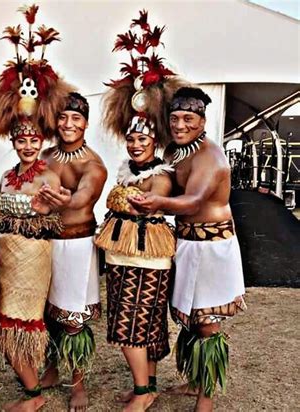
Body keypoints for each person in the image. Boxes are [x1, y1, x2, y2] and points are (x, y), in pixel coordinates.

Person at [128, 86, 246, 412]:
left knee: (207, 323)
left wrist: (158, 203)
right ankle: (196, 378)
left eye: (188, 119)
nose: (180, 125)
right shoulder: (174, 152)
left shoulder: (211, 157)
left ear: (203, 121)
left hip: (212, 248)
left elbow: (193, 201)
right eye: (175, 118)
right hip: (185, 243)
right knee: (190, 318)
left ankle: (205, 399)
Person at [0, 6, 70, 410]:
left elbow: (56, 218)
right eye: (22, 141)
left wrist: (45, 211)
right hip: (4, 255)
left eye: (34, 140)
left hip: (33, 259)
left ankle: (33, 395)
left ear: (41, 141)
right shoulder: (4, 176)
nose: (28, 145)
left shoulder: (51, 176)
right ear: (14, 143)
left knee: (21, 322)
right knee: (5, 318)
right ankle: (31, 386)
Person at [95, 11, 181, 410]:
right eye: (131, 139)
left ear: (154, 142)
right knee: (134, 322)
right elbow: (126, 197)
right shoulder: (126, 169)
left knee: (135, 325)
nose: (135, 145)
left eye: (142, 141)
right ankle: (149, 384)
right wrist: (124, 193)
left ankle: (144, 394)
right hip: (120, 253)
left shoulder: (162, 173)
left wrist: (124, 196)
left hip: (147, 259)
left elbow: (146, 200)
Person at [38, 92, 107, 412]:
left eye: (75, 118)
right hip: (46, 242)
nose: (68, 124)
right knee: (47, 311)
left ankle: (77, 383)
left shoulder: (93, 164)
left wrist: (63, 200)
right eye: (63, 117)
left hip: (78, 244)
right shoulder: (46, 156)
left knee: (73, 318)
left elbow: (83, 200)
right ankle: (51, 368)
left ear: (86, 123)